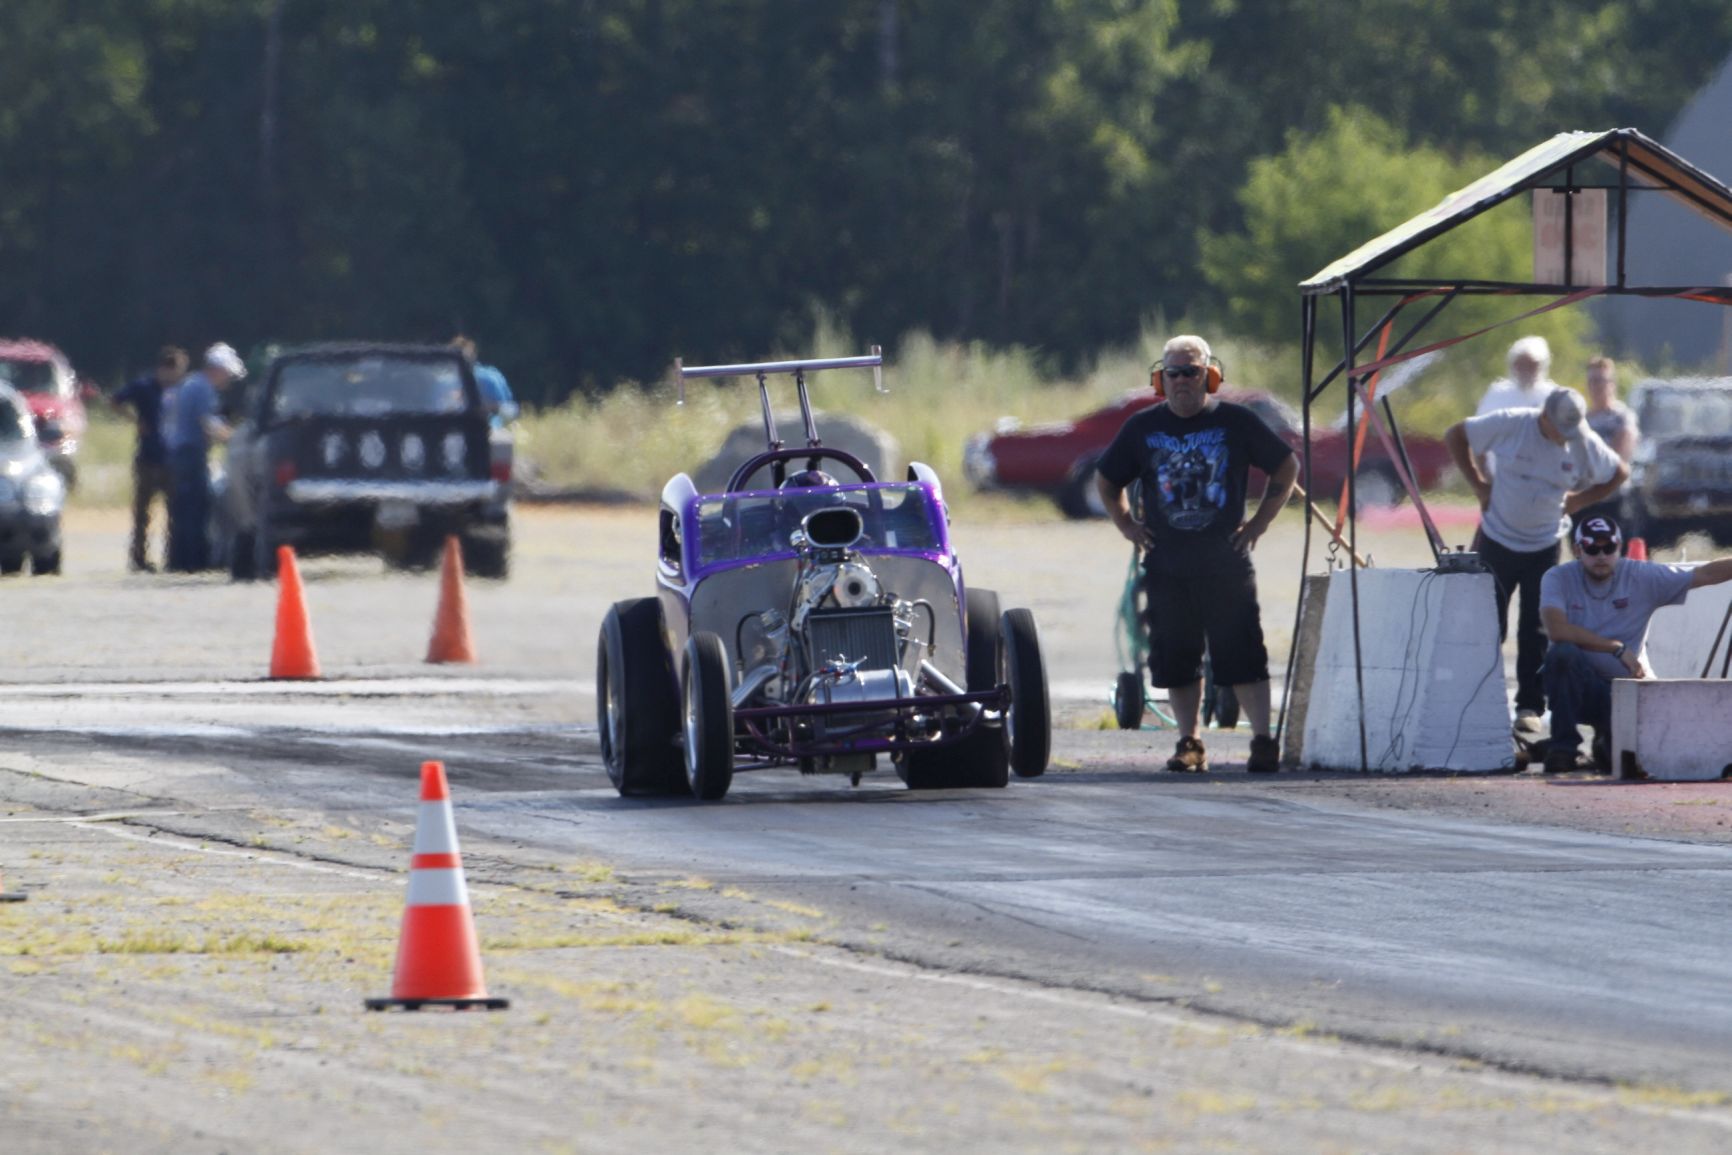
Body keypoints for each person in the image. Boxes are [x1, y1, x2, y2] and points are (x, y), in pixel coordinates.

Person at [1095, 335, 1300, 774]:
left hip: (1225, 560)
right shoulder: (1142, 428)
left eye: (1192, 372)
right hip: (1168, 563)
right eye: (1174, 373)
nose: (1183, 381)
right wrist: (1127, 524)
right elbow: (1107, 481)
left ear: (1210, 376)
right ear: (1161, 379)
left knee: (1242, 650)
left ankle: (1263, 741)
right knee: (1175, 655)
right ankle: (1190, 742)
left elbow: (1286, 466)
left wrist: (1261, 522)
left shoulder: (1237, 422)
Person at [1445, 389, 1629, 732]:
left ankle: (1529, 706)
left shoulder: (1581, 440)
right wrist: (1480, 486)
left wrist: (1580, 500)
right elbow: (1456, 434)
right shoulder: (1512, 424)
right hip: (1497, 539)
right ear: (1543, 416)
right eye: (1559, 428)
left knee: (1536, 628)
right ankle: (1476, 701)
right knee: (1488, 624)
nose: (1564, 437)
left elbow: (1619, 472)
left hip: (1544, 545)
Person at [1539, 514, 1732, 771]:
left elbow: (1704, 574)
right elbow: (1557, 630)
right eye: (1592, 548)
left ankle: (1605, 741)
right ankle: (1562, 748)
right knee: (1562, 654)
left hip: (1626, 696)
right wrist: (1616, 648)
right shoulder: (1558, 577)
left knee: (1624, 765)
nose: (1601, 556)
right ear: (1577, 550)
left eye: (1608, 548)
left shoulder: (1641, 575)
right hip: (1575, 689)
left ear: (1619, 547)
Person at [165, 342, 245, 572]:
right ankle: (194, 562)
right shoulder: (202, 389)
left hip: (181, 455)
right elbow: (209, 424)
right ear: (217, 369)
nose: (227, 380)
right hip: (190, 454)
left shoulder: (191, 384)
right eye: (227, 374)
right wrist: (236, 439)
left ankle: (179, 561)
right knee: (196, 509)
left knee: (183, 510)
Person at [111, 345, 187, 572]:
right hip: (147, 458)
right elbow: (115, 401)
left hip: (172, 458)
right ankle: (138, 558)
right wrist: (135, 421)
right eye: (172, 371)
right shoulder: (144, 387)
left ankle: (172, 556)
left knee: (174, 511)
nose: (175, 376)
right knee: (143, 512)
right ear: (162, 368)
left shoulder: (182, 390)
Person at [1575, 356, 1639, 530]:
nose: (1597, 386)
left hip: (1613, 498)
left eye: (1601, 381)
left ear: (1612, 384)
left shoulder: (1622, 417)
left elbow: (1619, 456)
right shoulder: (1581, 420)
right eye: (1593, 381)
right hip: (1585, 499)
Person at [450, 335, 519, 424]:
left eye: (465, 359)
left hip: (490, 429)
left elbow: (511, 410)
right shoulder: (446, 381)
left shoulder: (488, 378)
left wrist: (490, 408)